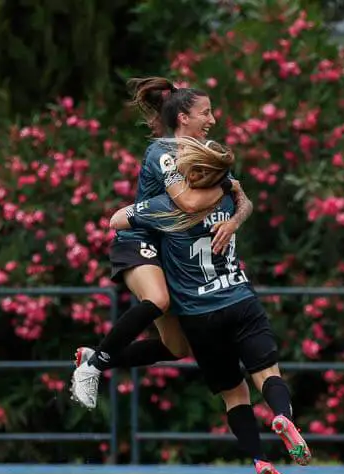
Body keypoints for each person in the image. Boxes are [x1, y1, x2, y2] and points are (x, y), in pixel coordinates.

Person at [109, 136, 311, 474]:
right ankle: (283, 417)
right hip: (239, 300)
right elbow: (243, 199)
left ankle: (259, 460)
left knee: (235, 396)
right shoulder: (229, 196)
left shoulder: (166, 207)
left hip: (198, 316)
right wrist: (231, 203)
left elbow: (117, 221)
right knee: (268, 374)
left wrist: (151, 216)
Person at [70, 77, 253, 409]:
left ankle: (98, 356)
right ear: (184, 117)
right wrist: (226, 185)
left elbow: (245, 200)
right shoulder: (163, 151)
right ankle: (92, 369)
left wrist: (233, 218)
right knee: (157, 299)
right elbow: (187, 203)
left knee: (178, 348)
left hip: (167, 252)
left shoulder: (205, 153)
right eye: (206, 112)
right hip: (138, 240)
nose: (213, 120)